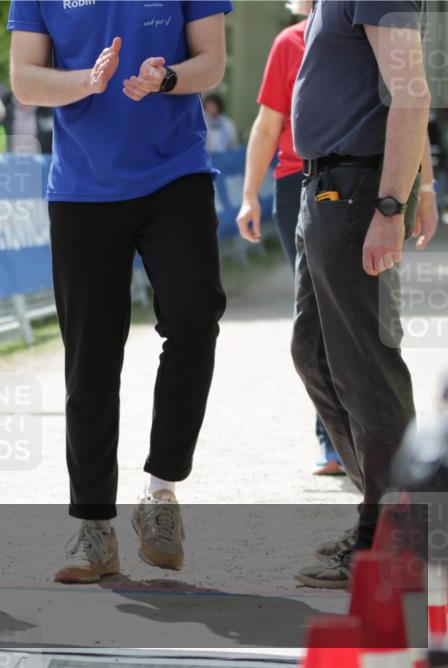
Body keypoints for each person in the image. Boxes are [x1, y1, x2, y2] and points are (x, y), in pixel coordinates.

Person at [9, 1, 230, 583]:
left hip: (175, 174)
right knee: (91, 358)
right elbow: (25, 80)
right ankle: (94, 527)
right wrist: (87, 81)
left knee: (194, 318)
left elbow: (213, 60)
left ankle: (160, 495)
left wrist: (171, 77)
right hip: (83, 189)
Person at [289, 0, 436, 589]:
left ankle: (400, 538)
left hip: (355, 191)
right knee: (317, 357)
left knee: (366, 371)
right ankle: (386, 518)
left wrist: (393, 204)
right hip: (325, 185)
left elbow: (411, 91)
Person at [234, 0, 346, 480]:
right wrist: (248, 197)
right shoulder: (290, 42)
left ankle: (366, 433)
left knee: (353, 309)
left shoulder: (367, 37)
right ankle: (333, 439)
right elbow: (266, 124)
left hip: (353, 179)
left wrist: (419, 187)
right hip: (292, 183)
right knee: (315, 309)